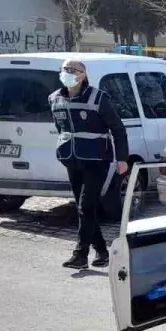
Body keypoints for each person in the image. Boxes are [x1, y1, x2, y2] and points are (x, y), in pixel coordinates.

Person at [49, 58, 129, 270]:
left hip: (97, 159)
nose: (66, 73)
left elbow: (118, 129)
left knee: (85, 206)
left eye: (71, 69)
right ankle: (102, 252)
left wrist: (121, 158)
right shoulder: (54, 98)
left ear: (82, 75)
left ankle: (80, 254)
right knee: (85, 208)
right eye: (64, 69)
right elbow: (61, 128)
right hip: (72, 159)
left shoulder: (98, 98)